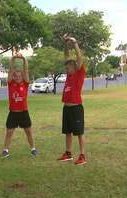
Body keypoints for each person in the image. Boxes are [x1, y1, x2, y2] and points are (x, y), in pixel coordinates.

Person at [57, 35, 87, 165]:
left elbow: (79, 58)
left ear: (74, 68)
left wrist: (74, 43)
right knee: (67, 132)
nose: (66, 70)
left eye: (68, 68)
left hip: (76, 108)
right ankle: (68, 153)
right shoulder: (69, 76)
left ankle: (82, 156)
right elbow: (66, 57)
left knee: (79, 132)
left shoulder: (78, 74)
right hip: (67, 108)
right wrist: (65, 44)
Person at [2, 53, 37, 158]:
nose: (17, 77)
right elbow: (10, 69)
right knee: (9, 132)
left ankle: (33, 149)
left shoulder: (25, 83)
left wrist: (23, 58)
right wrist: (13, 58)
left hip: (23, 112)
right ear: (13, 76)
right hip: (13, 112)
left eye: (19, 76)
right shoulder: (10, 83)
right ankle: (5, 150)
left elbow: (26, 70)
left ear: (22, 77)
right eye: (15, 76)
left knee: (28, 132)